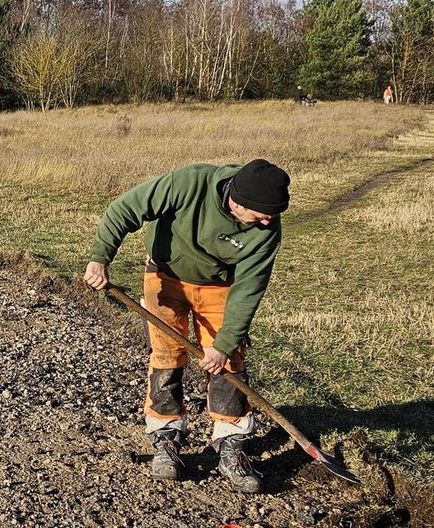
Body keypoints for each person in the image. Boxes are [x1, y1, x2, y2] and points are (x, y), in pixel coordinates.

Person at [83, 159, 291, 494]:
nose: (269, 220)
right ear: (236, 202)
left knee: (230, 363)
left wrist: (222, 345)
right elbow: (124, 209)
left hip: (222, 287)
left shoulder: (267, 230)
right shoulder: (188, 183)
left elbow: (249, 289)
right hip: (165, 275)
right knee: (167, 355)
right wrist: (99, 258)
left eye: (274, 213)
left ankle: (231, 445)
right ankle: (166, 440)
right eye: (262, 213)